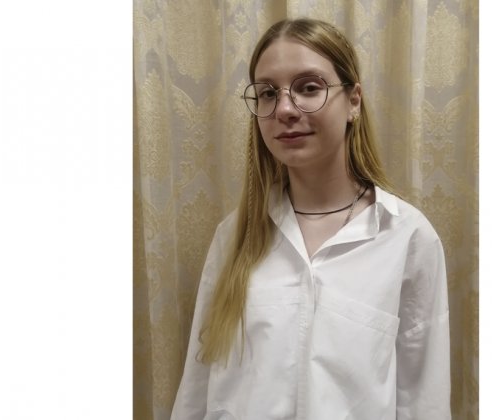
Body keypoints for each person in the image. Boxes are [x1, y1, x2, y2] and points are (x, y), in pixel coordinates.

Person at [171, 18, 450, 420]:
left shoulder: (406, 237)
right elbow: (199, 386)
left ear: (353, 101)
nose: (284, 109)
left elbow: (423, 397)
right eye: (268, 93)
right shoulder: (234, 235)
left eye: (309, 87)